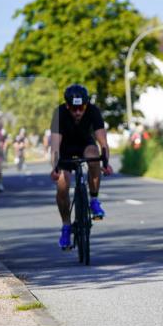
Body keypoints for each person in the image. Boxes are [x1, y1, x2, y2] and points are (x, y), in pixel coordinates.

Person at [50, 84, 113, 250]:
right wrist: (55, 167)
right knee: (62, 185)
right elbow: (55, 145)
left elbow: (103, 142)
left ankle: (93, 199)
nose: (78, 112)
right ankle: (66, 226)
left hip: (85, 145)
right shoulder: (60, 113)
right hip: (65, 149)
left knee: (94, 156)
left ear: (86, 105)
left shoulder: (93, 111)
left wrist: (105, 162)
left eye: (81, 108)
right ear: (67, 106)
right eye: (73, 108)